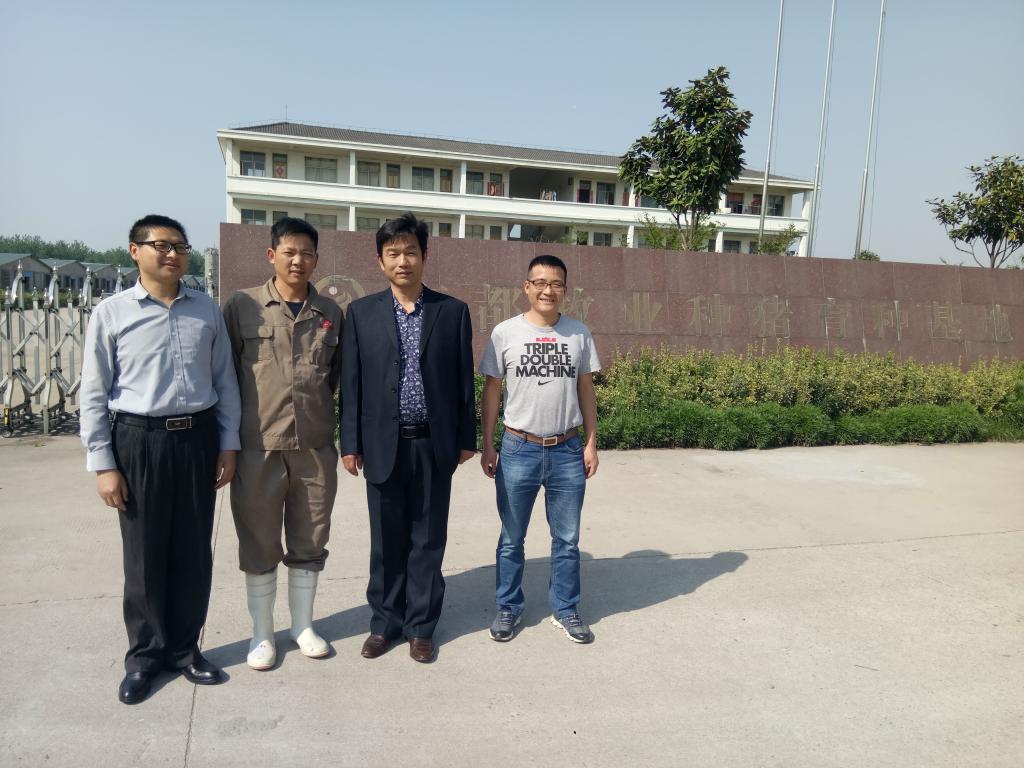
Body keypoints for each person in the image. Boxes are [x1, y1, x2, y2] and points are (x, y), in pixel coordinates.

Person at [80, 214, 241, 704]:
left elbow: (225, 379)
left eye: (180, 247)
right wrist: (103, 463)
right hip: (139, 441)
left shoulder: (206, 310)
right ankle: (145, 657)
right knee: (144, 556)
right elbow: (93, 392)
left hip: (197, 440)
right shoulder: (112, 313)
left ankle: (186, 649)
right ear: (135, 251)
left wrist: (228, 442)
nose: (172, 254)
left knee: (193, 551)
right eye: (161, 245)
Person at [340, 212, 475, 663]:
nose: (403, 261)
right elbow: (352, 384)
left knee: (428, 540)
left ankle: (421, 627)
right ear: (380, 261)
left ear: (424, 256)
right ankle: (385, 624)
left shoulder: (452, 312)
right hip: (383, 444)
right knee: (386, 541)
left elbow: (463, 381)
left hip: (433, 445)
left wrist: (466, 438)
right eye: (393, 253)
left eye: (410, 252)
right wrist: (350, 442)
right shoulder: (360, 314)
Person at [222, 217, 343, 671]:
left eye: (307, 253)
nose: (298, 261)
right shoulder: (242, 307)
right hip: (258, 447)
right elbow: (223, 376)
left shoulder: (330, 313)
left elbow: (335, 378)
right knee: (258, 542)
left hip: (314, 447)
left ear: (316, 259)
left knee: (311, 539)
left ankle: (303, 626)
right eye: (289, 252)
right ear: (271, 255)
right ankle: (262, 633)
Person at [479, 254, 600, 644]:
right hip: (519, 448)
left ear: (566, 289)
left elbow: (586, 389)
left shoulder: (579, 333)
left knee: (567, 539)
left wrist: (591, 442)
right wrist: (488, 444)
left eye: (556, 284)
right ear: (526, 287)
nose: (548, 290)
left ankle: (566, 608)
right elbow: (492, 391)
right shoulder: (505, 333)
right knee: (512, 538)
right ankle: (508, 606)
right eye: (541, 283)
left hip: (567, 449)